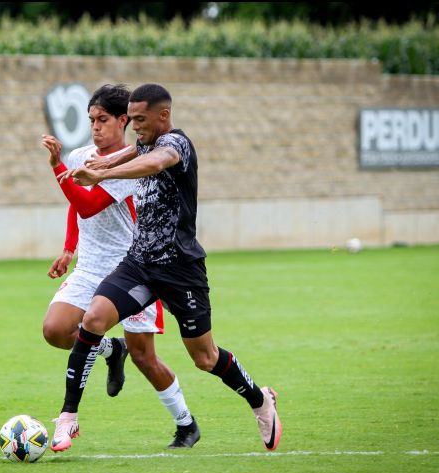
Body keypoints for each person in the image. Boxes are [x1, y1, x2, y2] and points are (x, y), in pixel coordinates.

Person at [52, 83, 282, 453]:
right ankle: (68, 416)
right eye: (131, 119)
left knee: (205, 357)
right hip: (139, 263)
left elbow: (156, 161)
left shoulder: (177, 144)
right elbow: (135, 151)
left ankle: (260, 400)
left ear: (164, 115)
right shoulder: (143, 142)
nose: (134, 126)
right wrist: (105, 162)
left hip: (180, 268)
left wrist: (104, 174)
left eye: (140, 119)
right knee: (93, 319)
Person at [42, 84, 200, 452]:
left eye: (103, 120)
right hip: (90, 266)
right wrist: (69, 248)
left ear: (123, 121)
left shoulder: (131, 168)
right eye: (91, 121)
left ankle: (186, 423)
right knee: (55, 330)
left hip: (130, 268)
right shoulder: (82, 156)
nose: (95, 127)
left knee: (145, 356)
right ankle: (112, 351)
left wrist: (57, 166)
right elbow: (75, 203)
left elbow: (88, 205)